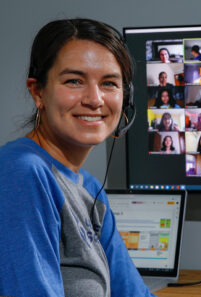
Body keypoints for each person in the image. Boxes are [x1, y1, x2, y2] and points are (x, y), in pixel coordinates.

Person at [0, 19, 155, 297]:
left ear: (126, 98)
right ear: (38, 92)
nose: (95, 99)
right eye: (74, 81)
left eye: (109, 83)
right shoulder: (22, 173)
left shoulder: (91, 189)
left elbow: (133, 294)